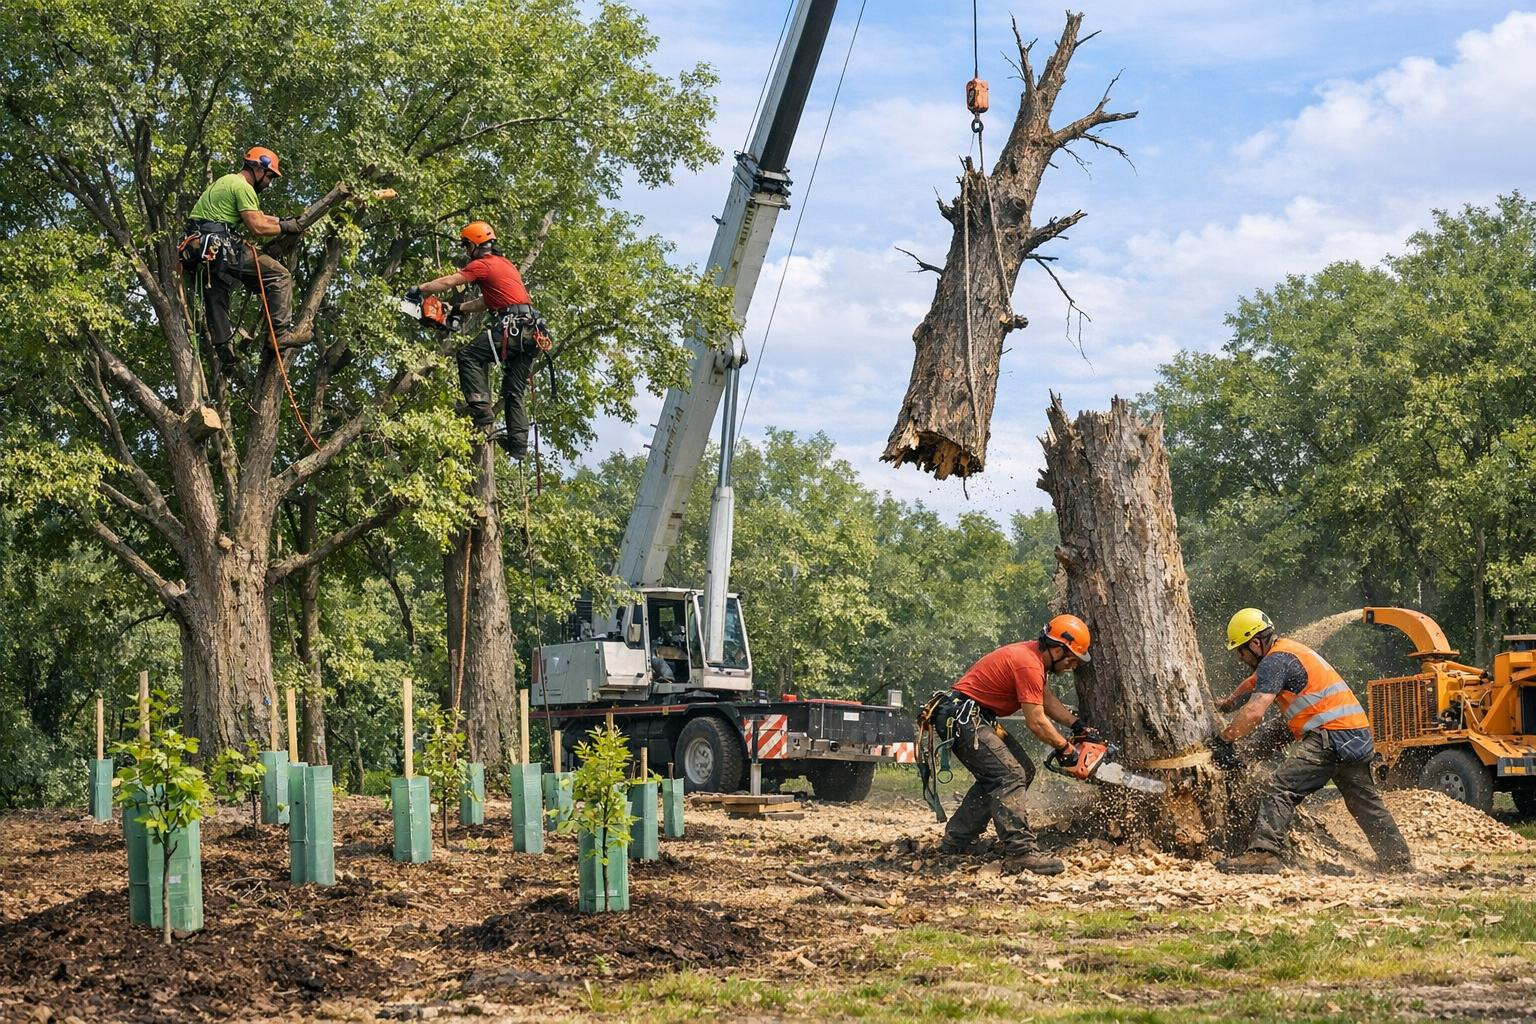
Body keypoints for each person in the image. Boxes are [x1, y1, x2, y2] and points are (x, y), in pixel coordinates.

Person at [1213, 607, 1414, 874]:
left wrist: (1225, 739)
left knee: (1279, 787)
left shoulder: (1275, 660)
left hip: (1330, 738)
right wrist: (1228, 703)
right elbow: (1252, 684)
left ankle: (1264, 854)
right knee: (1364, 803)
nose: (1240, 657)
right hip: (1355, 736)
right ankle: (1398, 861)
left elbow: (1254, 711)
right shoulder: (1286, 652)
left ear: (1255, 643)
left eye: (1241, 650)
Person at [925, 614, 1097, 876]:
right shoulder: (1028, 664)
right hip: (964, 718)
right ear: (1057, 648)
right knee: (1008, 775)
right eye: (1071, 658)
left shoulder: (1033, 660)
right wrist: (1065, 749)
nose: (1072, 665)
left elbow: (1045, 700)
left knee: (1019, 771)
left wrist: (1076, 726)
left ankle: (957, 840)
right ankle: (1021, 852)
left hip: (976, 717)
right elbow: (1036, 722)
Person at [408, 221, 544, 457]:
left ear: (473, 244)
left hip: (513, 328)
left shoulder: (483, 264)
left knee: (468, 354)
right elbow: (486, 302)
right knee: (513, 391)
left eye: (465, 246)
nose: (465, 250)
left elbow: (450, 281)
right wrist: (457, 309)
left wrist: (418, 290)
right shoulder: (505, 265)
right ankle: (518, 447)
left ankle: (481, 410)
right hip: (533, 333)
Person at [185, 146, 301, 363]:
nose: (269, 183)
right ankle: (281, 334)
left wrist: (283, 221)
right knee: (279, 275)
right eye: (269, 176)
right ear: (258, 168)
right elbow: (257, 226)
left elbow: (259, 216)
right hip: (219, 245)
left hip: (197, 248)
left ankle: (223, 346)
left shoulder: (226, 181)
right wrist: (287, 228)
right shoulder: (243, 187)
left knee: (217, 288)